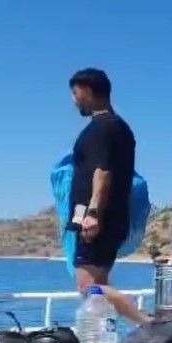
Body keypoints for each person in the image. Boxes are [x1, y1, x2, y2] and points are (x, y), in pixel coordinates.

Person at [67, 68, 150, 325]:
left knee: (88, 286)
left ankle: (149, 324)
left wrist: (93, 214)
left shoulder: (103, 128)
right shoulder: (117, 128)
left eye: (75, 93)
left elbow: (102, 173)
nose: (74, 99)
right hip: (104, 218)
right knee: (97, 287)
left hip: (97, 219)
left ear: (89, 92)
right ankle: (104, 338)